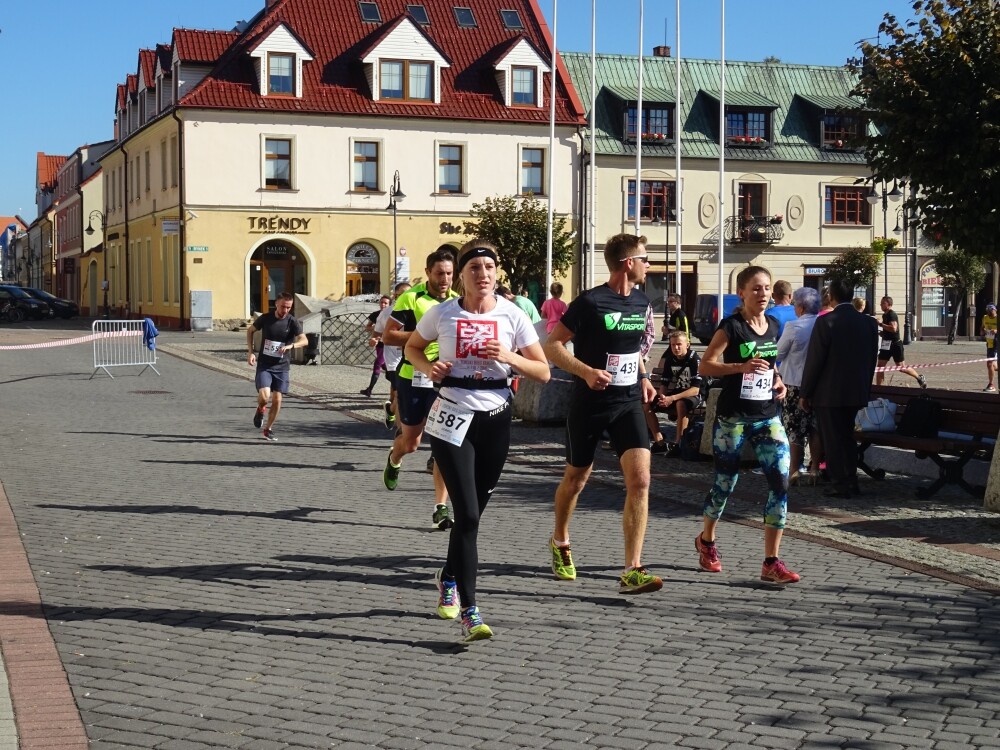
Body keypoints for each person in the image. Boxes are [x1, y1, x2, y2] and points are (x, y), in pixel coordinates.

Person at [406, 241, 550, 642]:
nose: (482, 274)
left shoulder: (513, 315)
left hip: (495, 419)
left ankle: (447, 576)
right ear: (462, 275)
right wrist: (429, 366)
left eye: (489, 267)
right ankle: (470, 611)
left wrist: (509, 356)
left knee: (474, 515)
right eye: (474, 268)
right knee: (466, 515)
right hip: (452, 415)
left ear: (497, 273)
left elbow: (543, 371)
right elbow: (412, 348)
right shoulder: (443, 312)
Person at [545, 233, 662, 595]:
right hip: (590, 403)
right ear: (628, 262)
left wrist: (643, 377)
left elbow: (636, 349)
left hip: (627, 402)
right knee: (577, 478)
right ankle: (560, 540)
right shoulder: (590, 302)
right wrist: (586, 372)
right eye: (645, 258)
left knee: (640, 481)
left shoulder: (642, 300)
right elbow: (552, 346)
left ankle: (632, 569)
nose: (648, 265)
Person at [697, 265, 798, 585]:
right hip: (734, 419)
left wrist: (778, 381)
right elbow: (705, 364)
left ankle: (771, 561)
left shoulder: (772, 325)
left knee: (780, 483)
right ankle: (707, 541)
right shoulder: (731, 327)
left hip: (768, 417)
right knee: (725, 484)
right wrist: (740, 367)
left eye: (767, 288)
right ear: (741, 293)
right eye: (756, 289)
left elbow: (771, 364)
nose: (763, 294)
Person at [382, 250, 459, 530]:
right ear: (428, 272)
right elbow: (388, 335)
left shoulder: (457, 302)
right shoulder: (411, 297)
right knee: (412, 443)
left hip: (445, 379)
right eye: (440, 273)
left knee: (443, 443)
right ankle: (395, 457)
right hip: (412, 375)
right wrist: (424, 336)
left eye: (449, 274)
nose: (445, 279)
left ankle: (440, 507)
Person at [799, 277, 879, 499]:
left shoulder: (826, 322)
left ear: (831, 296)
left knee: (833, 439)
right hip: (856, 390)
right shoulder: (868, 323)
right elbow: (873, 358)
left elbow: (815, 360)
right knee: (847, 437)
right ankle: (851, 480)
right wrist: (865, 384)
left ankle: (839, 483)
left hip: (829, 392)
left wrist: (805, 392)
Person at [247, 292, 308, 441]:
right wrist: (251, 352)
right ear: (276, 304)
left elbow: (304, 340)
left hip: (282, 367)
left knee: (278, 400)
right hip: (265, 365)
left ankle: (268, 429)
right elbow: (250, 331)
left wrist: (291, 346)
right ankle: (260, 409)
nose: (285, 310)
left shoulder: (292, 322)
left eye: (288, 308)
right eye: (283, 307)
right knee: (264, 396)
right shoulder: (266, 318)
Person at [776, 286, 821, 484]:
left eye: (795, 304)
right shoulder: (823, 324)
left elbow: (778, 353)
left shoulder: (794, 326)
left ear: (801, 307)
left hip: (794, 383)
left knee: (794, 427)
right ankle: (815, 469)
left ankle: (795, 469)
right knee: (815, 427)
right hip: (819, 385)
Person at [645, 330, 702, 455]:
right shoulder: (670, 359)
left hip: (693, 396)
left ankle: (678, 444)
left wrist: (672, 398)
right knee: (646, 403)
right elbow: (664, 383)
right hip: (675, 395)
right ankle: (659, 441)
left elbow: (696, 389)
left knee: (680, 404)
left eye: (679, 344)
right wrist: (662, 397)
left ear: (687, 345)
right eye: (672, 345)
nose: (676, 348)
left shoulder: (694, 360)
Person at [373, 282, 411, 428]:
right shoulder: (386, 313)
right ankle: (401, 430)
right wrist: (375, 339)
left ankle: (391, 409)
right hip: (394, 358)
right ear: (396, 296)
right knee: (399, 392)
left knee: (402, 394)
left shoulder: (417, 309)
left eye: (409, 293)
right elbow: (377, 332)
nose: (407, 297)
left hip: (411, 357)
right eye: (402, 294)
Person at [875, 296, 926, 388]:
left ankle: (919, 377)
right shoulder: (885, 315)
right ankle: (879, 389)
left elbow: (894, 329)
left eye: (883, 303)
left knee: (901, 367)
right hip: (886, 344)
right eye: (881, 303)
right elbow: (889, 329)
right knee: (880, 367)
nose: (881, 305)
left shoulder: (892, 314)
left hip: (895, 345)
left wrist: (880, 324)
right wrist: (882, 333)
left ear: (889, 304)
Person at [359, 295, 391, 397]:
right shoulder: (375, 314)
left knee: (378, 363)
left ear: (389, 304)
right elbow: (367, 327)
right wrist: (376, 328)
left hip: (390, 344)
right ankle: (394, 378)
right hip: (379, 343)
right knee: (384, 365)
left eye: (386, 303)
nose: (383, 305)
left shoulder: (392, 314)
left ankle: (369, 389)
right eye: (382, 302)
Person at [981, 303, 997, 392]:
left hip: (997, 344)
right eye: (987, 311)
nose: (989, 313)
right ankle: (991, 384)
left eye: (990, 311)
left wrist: (996, 331)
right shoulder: (985, 317)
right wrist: (982, 332)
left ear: (994, 310)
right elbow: (982, 327)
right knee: (990, 365)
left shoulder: (997, 318)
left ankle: (991, 384)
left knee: (991, 364)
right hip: (989, 344)